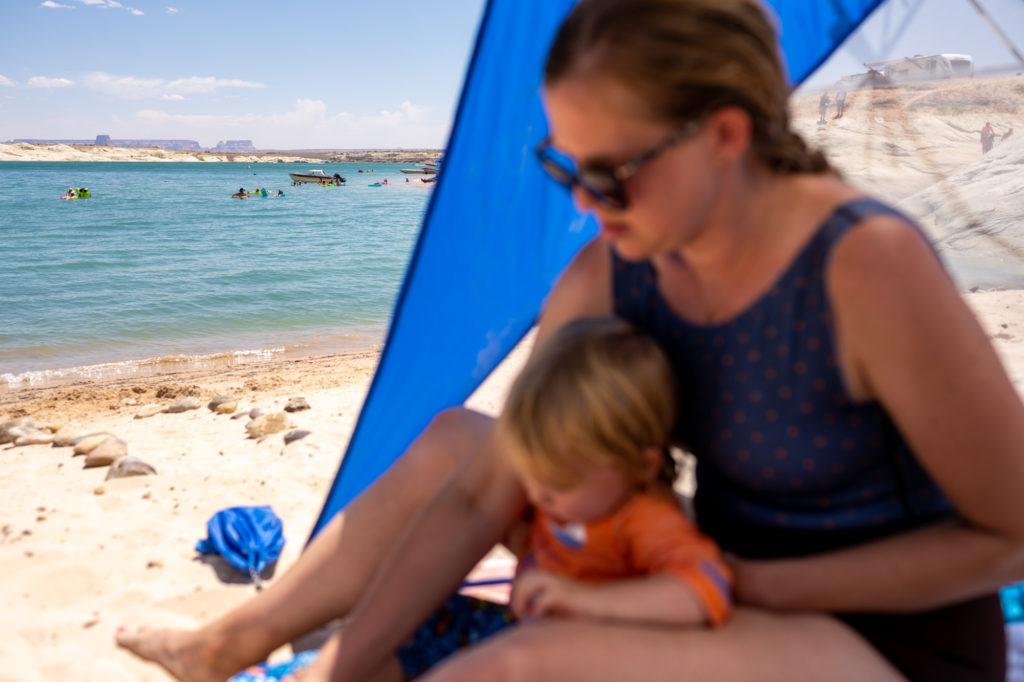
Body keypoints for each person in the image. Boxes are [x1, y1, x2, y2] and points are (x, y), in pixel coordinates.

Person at [118, 2, 1024, 681]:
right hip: (709, 576)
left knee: (518, 664)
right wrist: (341, 667)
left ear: (725, 136)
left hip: (882, 638)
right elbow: (486, 490)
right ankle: (232, 641)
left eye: (611, 174)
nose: (585, 204)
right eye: (564, 168)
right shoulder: (612, 274)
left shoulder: (864, 271)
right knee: (456, 444)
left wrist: (757, 586)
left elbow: (1010, 538)